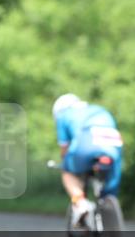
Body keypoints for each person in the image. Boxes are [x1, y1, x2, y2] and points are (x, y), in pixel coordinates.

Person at [52, 93, 123, 228]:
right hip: (113, 144)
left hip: (87, 142)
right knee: (111, 177)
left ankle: (81, 204)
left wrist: (66, 164)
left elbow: (65, 149)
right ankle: (108, 203)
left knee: (67, 172)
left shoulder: (63, 115)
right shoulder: (100, 110)